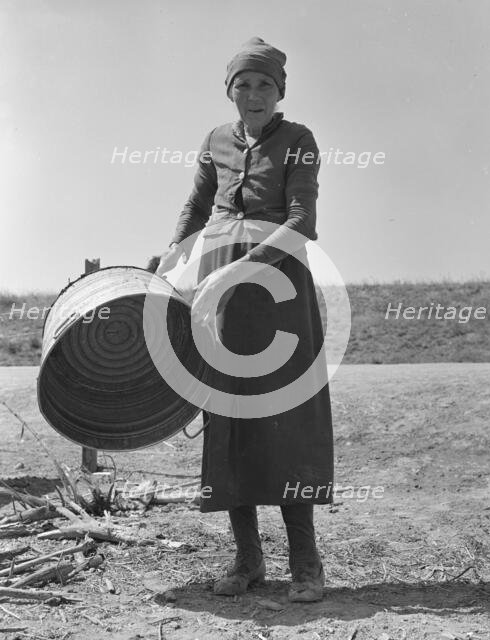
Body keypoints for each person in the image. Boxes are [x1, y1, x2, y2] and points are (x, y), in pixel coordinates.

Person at [154, 37, 334, 602]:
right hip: (217, 290)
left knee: (286, 419)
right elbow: (197, 204)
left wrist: (231, 275)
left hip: (278, 293)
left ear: (280, 92)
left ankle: (306, 564)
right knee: (229, 419)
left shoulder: (299, 140)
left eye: (264, 85)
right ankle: (248, 559)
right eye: (243, 85)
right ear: (229, 91)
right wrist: (168, 259)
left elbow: (302, 223)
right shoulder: (214, 141)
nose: (253, 95)